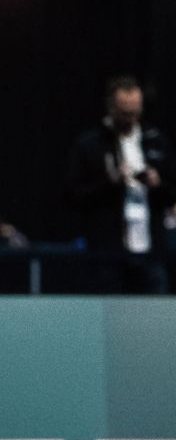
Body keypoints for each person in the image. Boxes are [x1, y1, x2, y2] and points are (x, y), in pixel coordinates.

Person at [68, 75, 174, 293]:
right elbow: (73, 196)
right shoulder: (90, 145)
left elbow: (171, 192)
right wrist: (111, 181)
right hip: (109, 252)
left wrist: (157, 184)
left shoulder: (156, 141)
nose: (130, 117)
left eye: (135, 111)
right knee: (113, 317)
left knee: (153, 315)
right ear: (111, 108)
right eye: (125, 112)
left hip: (151, 249)